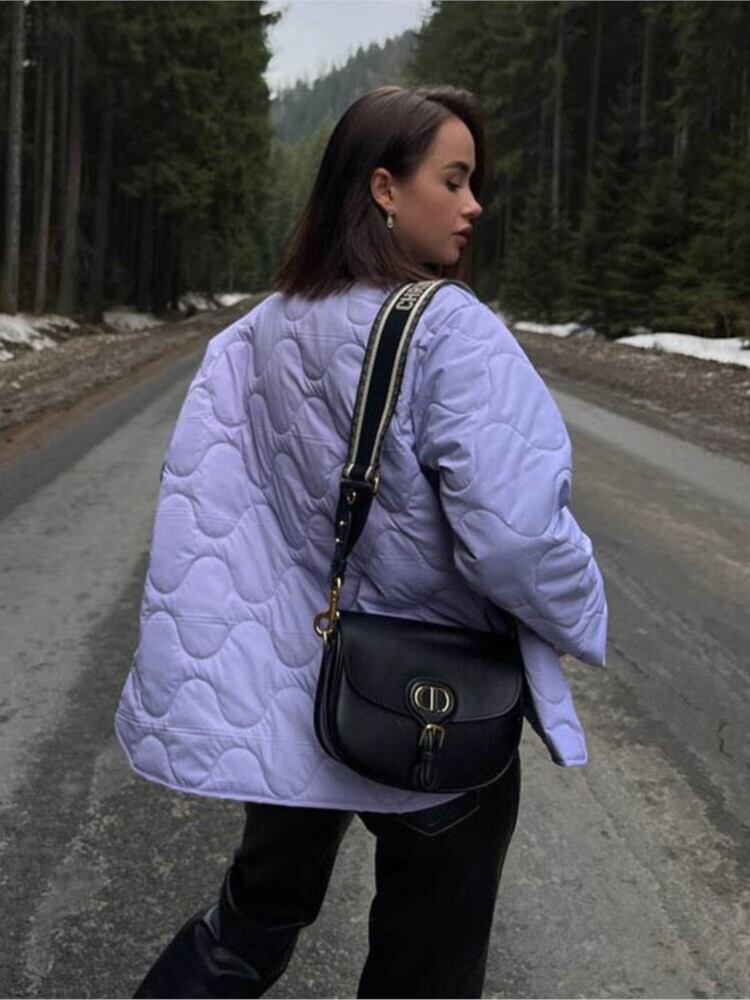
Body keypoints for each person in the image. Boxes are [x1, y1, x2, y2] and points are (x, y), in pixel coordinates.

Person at [115, 84, 608, 999]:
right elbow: (517, 543)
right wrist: (585, 610)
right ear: (384, 188)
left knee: (248, 926)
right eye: (453, 180)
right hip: (433, 707)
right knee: (425, 972)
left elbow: (213, 504)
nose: (474, 204)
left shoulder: (259, 331)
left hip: (299, 693)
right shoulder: (453, 331)